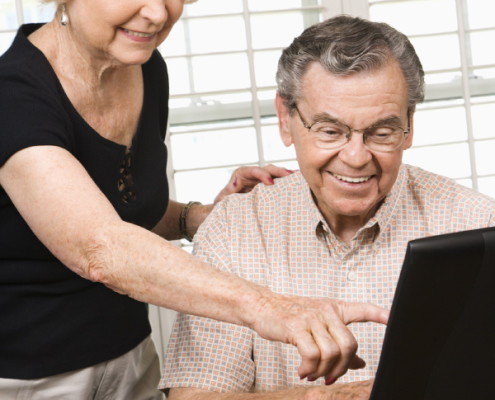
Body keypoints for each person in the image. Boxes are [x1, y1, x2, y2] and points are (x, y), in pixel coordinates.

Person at [0, 2, 391, 399]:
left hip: (131, 358)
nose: (156, 13)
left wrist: (198, 218)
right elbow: (99, 246)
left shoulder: (143, 65)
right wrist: (275, 310)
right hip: (30, 378)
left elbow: (119, 207)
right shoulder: (11, 96)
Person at [160, 14, 495, 400]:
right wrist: (330, 398)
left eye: (382, 132)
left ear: (410, 126)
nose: (355, 157)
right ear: (286, 120)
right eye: (330, 131)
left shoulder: (476, 223)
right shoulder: (234, 229)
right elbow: (194, 397)